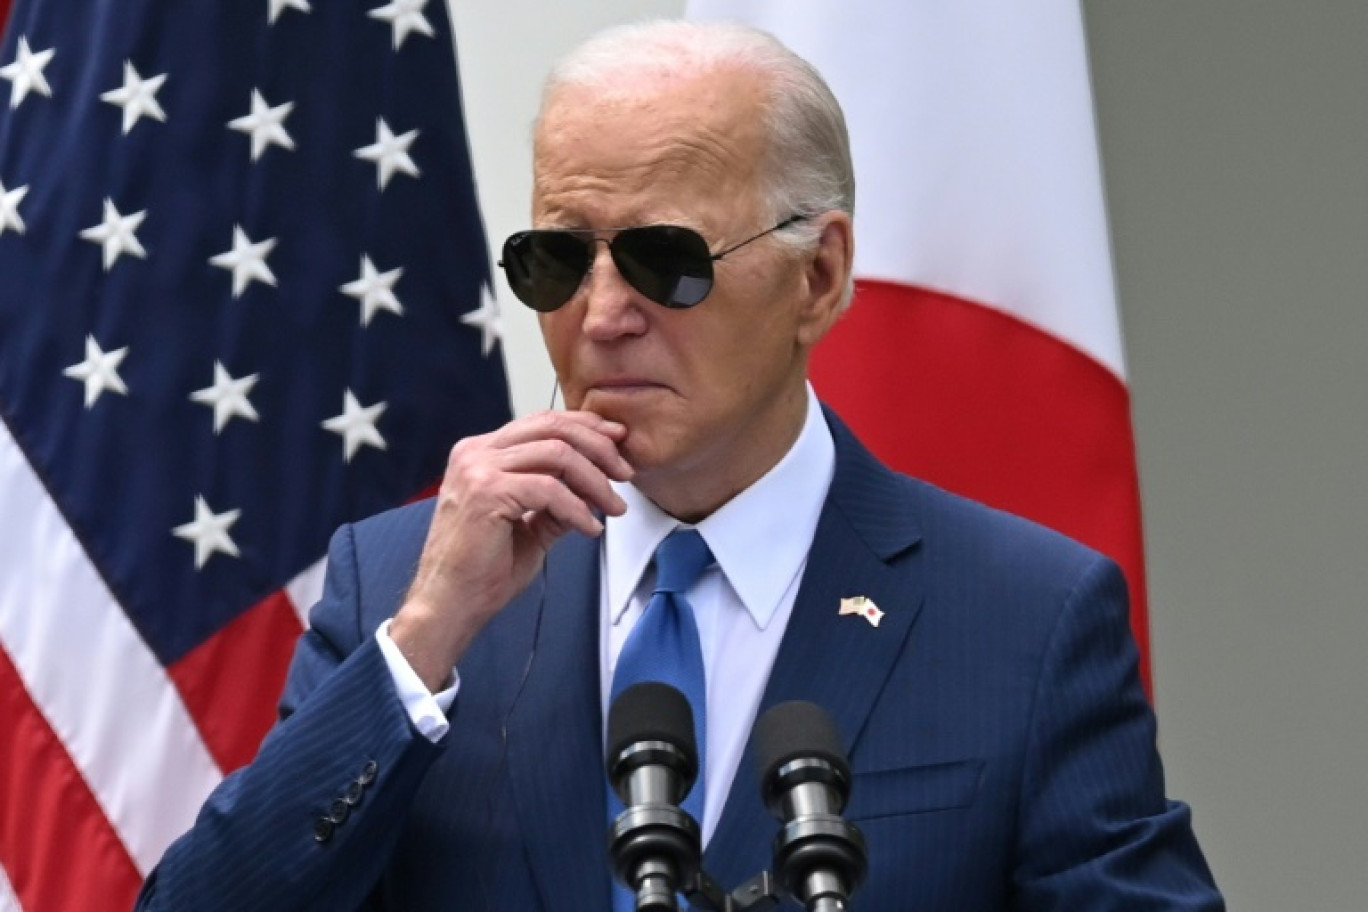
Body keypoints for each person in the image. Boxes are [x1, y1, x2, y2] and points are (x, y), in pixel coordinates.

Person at [136, 19, 1223, 911]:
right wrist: (422, 645)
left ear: (819, 275)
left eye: (667, 259)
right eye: (558, 259)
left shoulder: (1025, 620)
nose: (604, 317)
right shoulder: (402, 586)